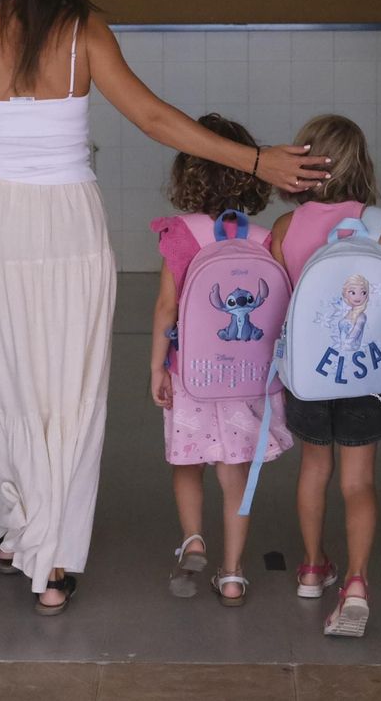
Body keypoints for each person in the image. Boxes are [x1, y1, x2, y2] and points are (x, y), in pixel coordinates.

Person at [0, 0, 328, 615]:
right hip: (68, 224)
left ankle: (12, 530)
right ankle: (54, 565)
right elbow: (157, 118)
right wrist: (256, 162)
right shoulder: (84, 32)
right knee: (69, 389)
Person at [150, 114, 293, 607]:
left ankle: (193, 539)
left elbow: (167, 308)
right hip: (246, 379)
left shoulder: (178, 233)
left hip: (190, 375)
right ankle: (233, 575)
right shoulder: (262, 239)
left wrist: (155, 368)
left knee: (187, 462)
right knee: (236, 474)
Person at [268, 115, 381, 637]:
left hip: (309, 376)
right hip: (366, 374)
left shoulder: (283, 229)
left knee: (315, 470)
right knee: (358, 480)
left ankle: (313, 567)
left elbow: (280, 308)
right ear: (360, 164)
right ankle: (359, 581)